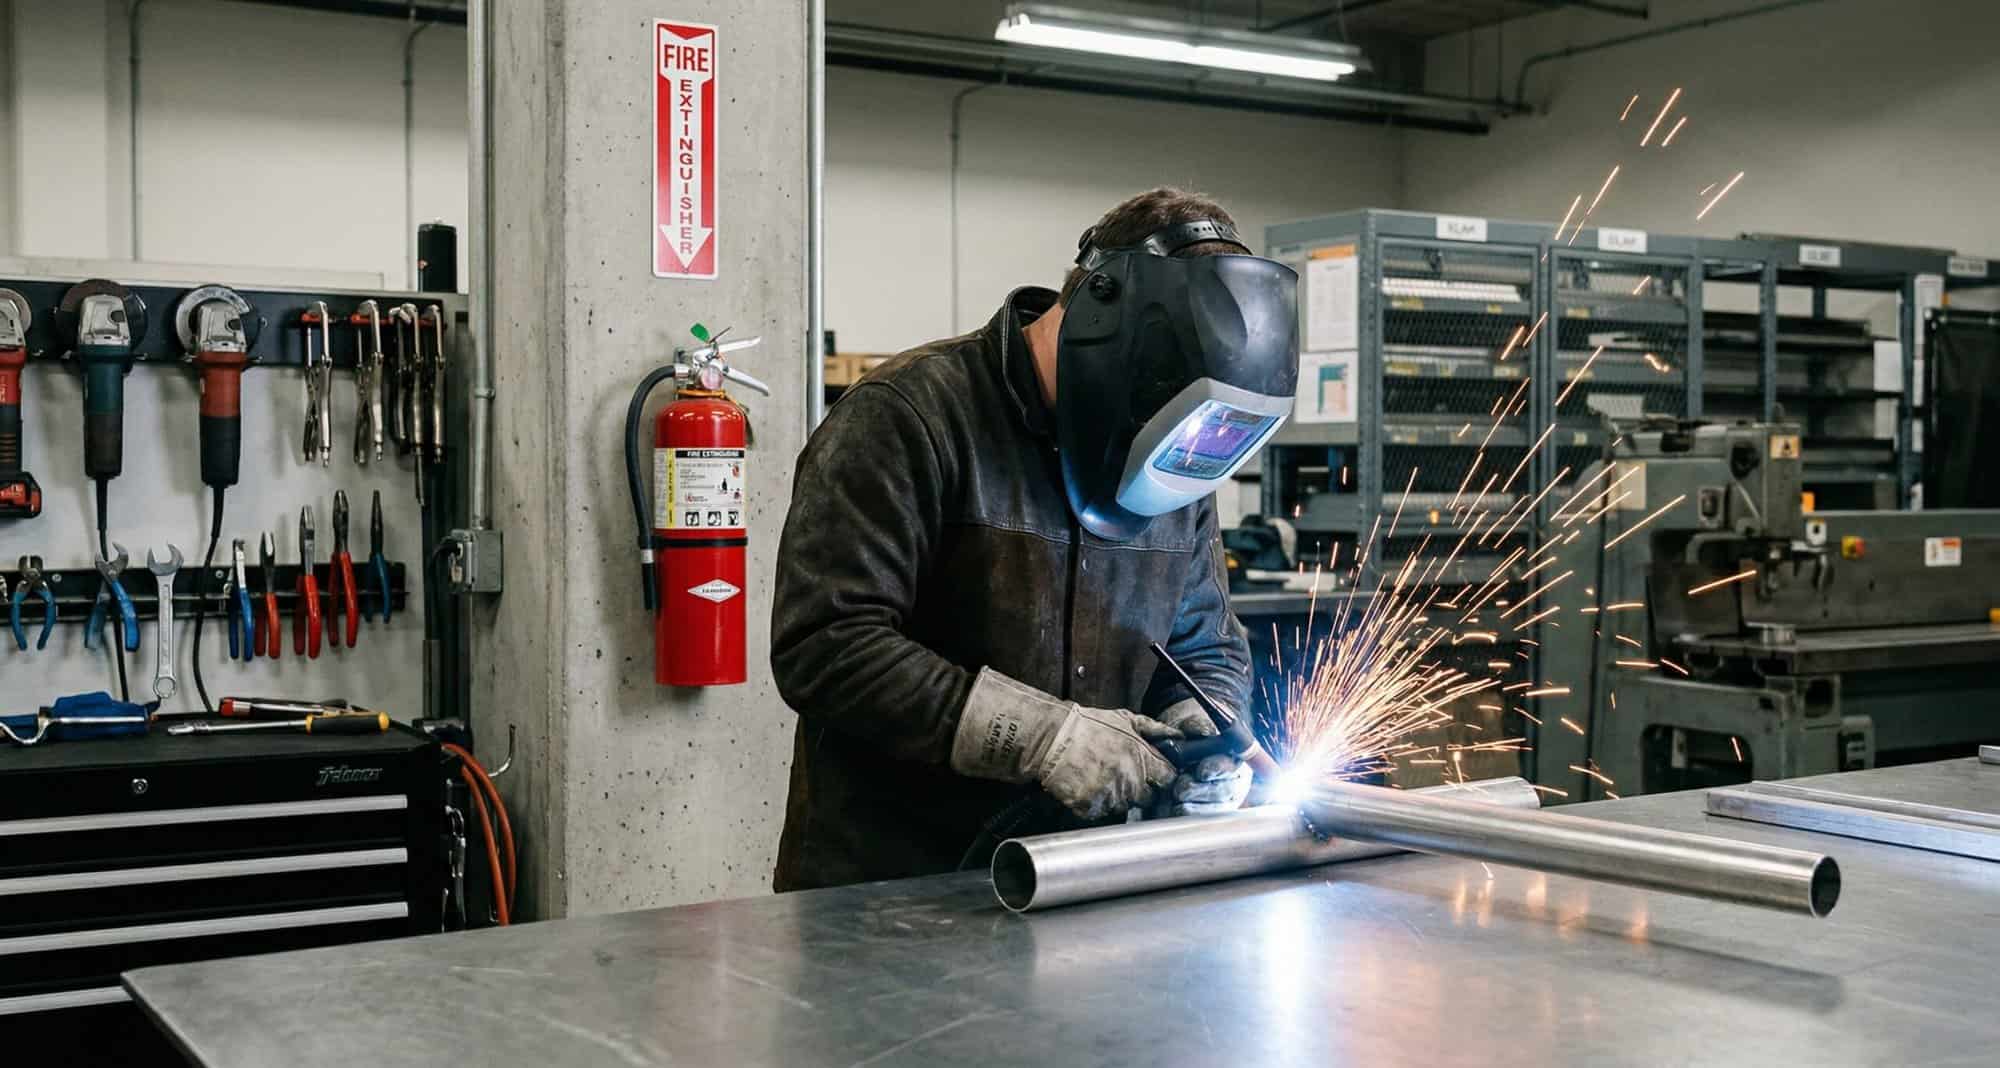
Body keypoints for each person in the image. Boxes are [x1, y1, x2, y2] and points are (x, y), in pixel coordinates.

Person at [770, 188, 1299, 891]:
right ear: (1099, 321)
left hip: (1080, 881)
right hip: (894, 888)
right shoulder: (908, 416)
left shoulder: (1179, 445)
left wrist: (1206, 730)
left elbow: (1204, 641)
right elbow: (825, 646)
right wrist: (1041, 738)